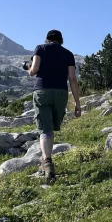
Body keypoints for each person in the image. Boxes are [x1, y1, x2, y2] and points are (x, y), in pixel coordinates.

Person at [27, 29, 81, 183]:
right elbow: (72, 79)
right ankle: (45, 161)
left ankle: (47, 162)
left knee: (45, 130)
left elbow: (34, 70)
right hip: (60, 93)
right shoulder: (68, 54)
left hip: (42, 91)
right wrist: (77, 104)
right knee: (51, 128)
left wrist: (29, 70)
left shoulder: (40, 48)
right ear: (61, 40)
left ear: (47, 39)